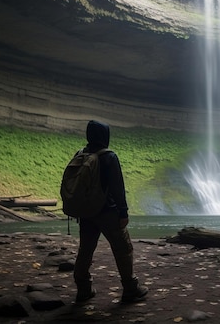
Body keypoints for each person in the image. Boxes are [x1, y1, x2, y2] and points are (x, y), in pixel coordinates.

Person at [72, 120, 148, 303]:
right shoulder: (109, 156)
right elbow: (117, 188)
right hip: (108, 212)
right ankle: (130, 288)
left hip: (86, 213)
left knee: (85, 251)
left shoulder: (81, 154)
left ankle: (83, 290)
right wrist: (123, 212)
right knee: (123, 249)